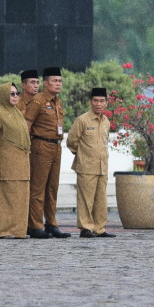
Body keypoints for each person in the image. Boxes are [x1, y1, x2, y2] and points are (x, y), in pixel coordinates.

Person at [25, 66, 71, 239]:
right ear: (45, 83)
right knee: (38, 187)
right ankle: (35, 225)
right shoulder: (38, 101)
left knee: (52, 187)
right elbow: (27, 126)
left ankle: (51, 223)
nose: (58, 84)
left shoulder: (57, 101)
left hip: (56, 146)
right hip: (41, 145)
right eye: (54, 81)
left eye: (59, 81)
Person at [66, 87, 116, 238]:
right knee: (86, 199)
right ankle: (85, 228)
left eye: (101, 101)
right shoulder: (82, 120)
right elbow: (71, 141)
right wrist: (81, 154)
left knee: (101, 199)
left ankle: (99, 228)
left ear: (106, 103)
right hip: (86, 166)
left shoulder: (106, 121)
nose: (98, 104)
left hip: (102, 166)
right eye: (95, 100)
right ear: (90, 101)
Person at [0, 82, 32, 239]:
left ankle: (18, 230)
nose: (15, 97)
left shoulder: (17, 113)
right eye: (11, 94)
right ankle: (3, 230)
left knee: (20, 196)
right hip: (5, 163)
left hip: (21, 162)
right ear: (2, 96)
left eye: (16, 93)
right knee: (6, 197)